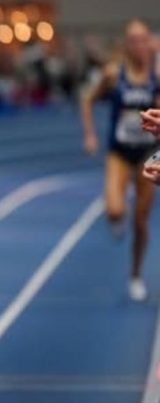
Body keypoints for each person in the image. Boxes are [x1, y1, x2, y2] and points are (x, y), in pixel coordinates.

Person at [81, 20, 159, 301]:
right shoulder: (114, 74)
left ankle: (136, 275)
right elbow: (87, 99)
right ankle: (117, 215)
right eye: (133, 40)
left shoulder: (157, 76)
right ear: (126, 44)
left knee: (141, 221)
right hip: (119, 153)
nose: (139, 45)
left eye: (143, 39)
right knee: (115, 211)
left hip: (148, 154)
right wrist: (90, 135)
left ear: (149, 42)